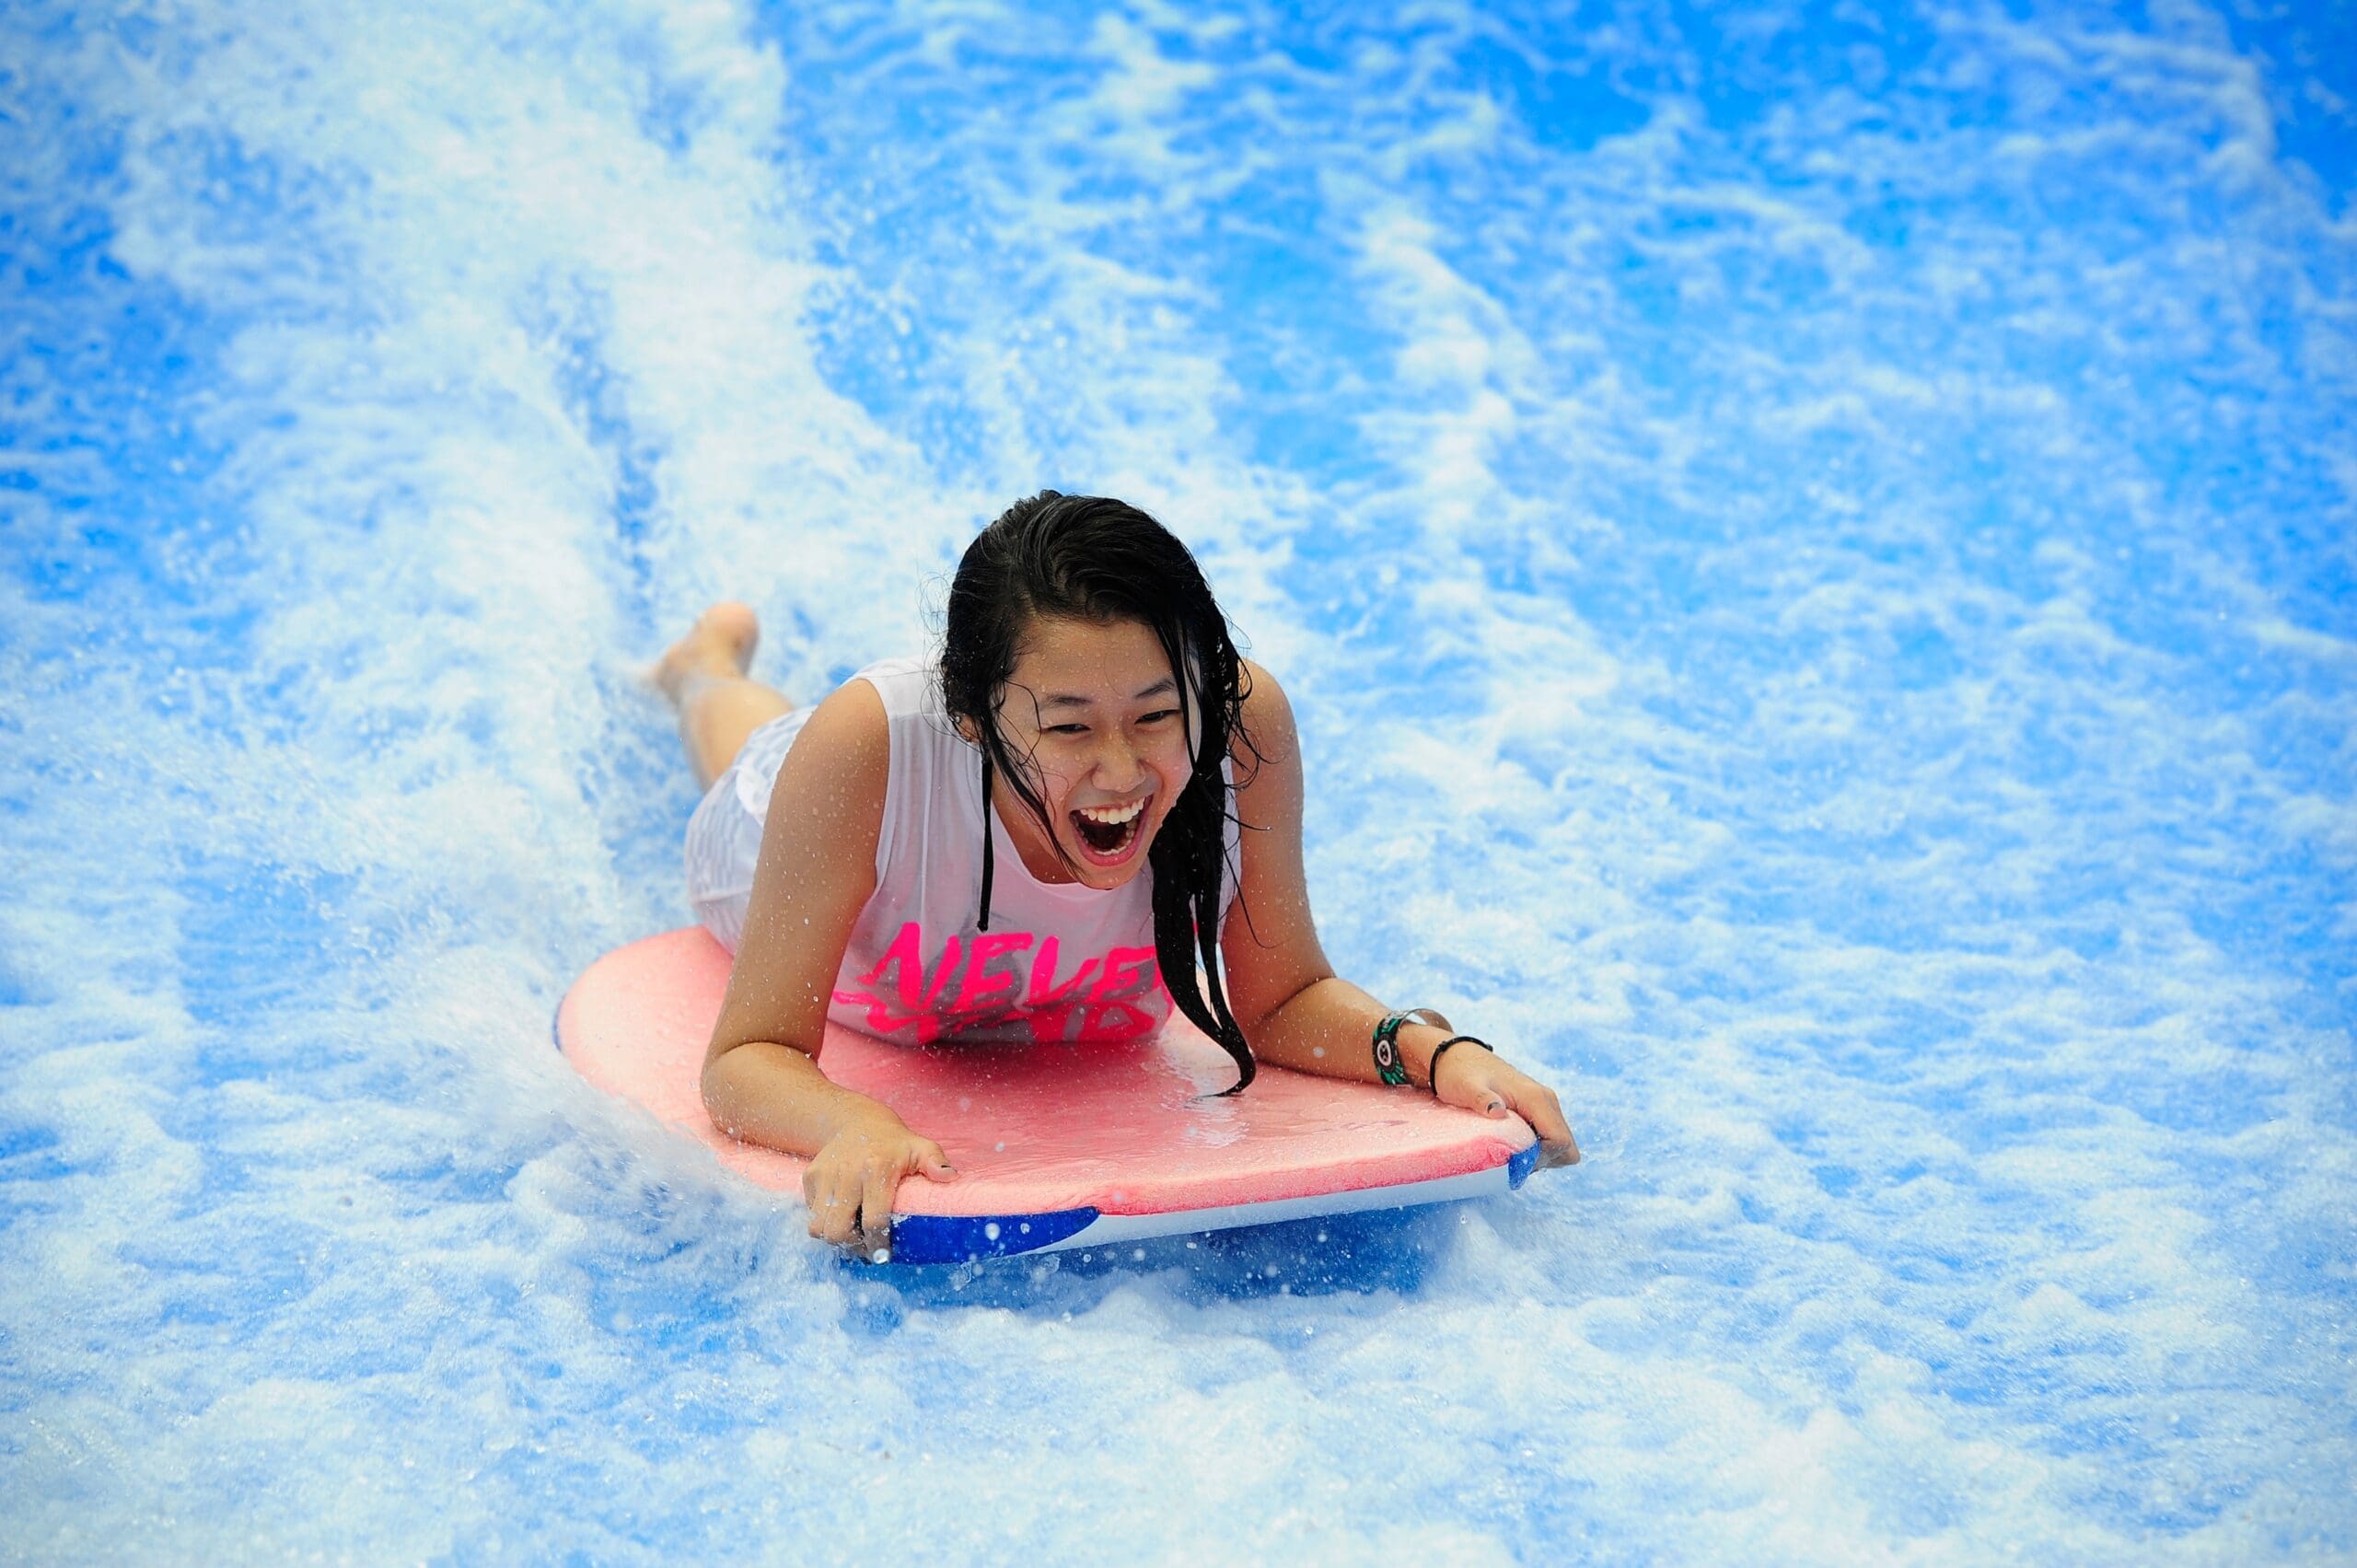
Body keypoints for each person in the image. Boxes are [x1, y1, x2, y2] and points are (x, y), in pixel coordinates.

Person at [654, 492, 1578, 1258]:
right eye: (1067, 727)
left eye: (1152, 715)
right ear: (971, 714)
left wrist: (1425, 1050)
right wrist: (851, 1123)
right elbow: (744, 1058)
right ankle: (703, 669)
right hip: (787, 835)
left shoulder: (1240, 724)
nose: (1121, 771)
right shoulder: (871, 750)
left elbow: (1281, 996)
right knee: (750, 753)